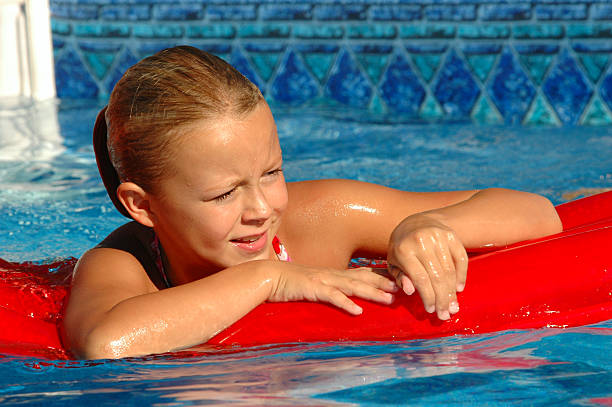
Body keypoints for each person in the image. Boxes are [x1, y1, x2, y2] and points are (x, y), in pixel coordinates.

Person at [63, 46, 562, 359]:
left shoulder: (320, 218)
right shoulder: (122, 265)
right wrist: (267, 278)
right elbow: (104, 344)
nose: (261, 208)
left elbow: (539, 213)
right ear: (142, 206)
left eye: (272, 173)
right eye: (224, 193)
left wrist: (427, 223)